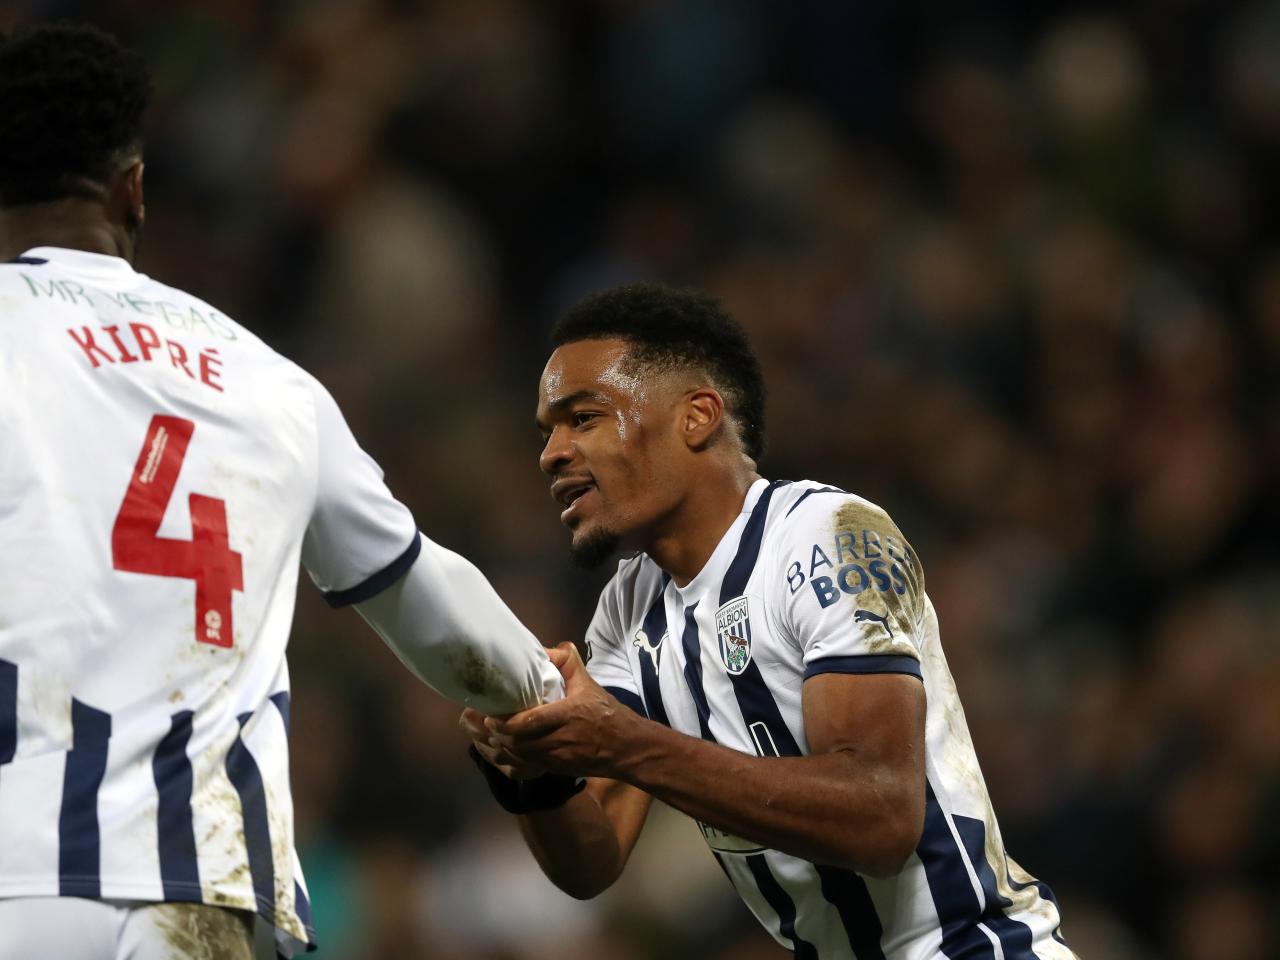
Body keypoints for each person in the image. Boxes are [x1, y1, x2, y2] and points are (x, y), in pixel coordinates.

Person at [0, 22, 561, 960]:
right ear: (133, 189)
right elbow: (434, 610)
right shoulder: (267, 377)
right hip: (204, 898)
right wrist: (549, 690)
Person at [463, 283, 1078, 959]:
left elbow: (880, 817)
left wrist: (625, 743)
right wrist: (533, 767)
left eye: (582, 418)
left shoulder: (827, 537)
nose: (551, 453)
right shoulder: (629, 607)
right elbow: (592, 860)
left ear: (697, 417)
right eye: (547, 430)